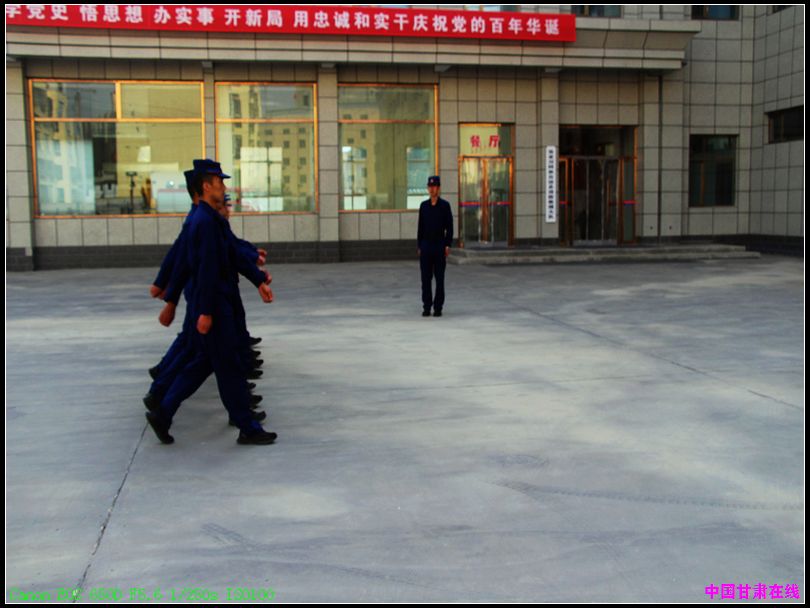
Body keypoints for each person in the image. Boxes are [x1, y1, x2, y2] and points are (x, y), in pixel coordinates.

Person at [145, 160, 277, 446]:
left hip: (215, 303)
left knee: (204, 363)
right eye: (219, 183)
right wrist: (201, 310)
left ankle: (163, 412)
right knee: (227, 366)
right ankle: (247, 426)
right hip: (214, 305)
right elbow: (200, 267)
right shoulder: (203, 222)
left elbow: (231, 252)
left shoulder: (208, 219)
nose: (224, 188)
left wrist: (258, 279)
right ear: (206, 186)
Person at [417, 175, 454, 317]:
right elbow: (420, 228)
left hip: (439, 246)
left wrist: (447, 244)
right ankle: (427, 306)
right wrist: (419, 245)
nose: (432, 189)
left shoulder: (445, 206)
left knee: (439, 279)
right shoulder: (424, 206)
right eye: (430, 187)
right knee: (425, 279)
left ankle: (438, 307)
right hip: (426, 246)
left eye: (434, 187)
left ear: (438, 188)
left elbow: (449, 227)